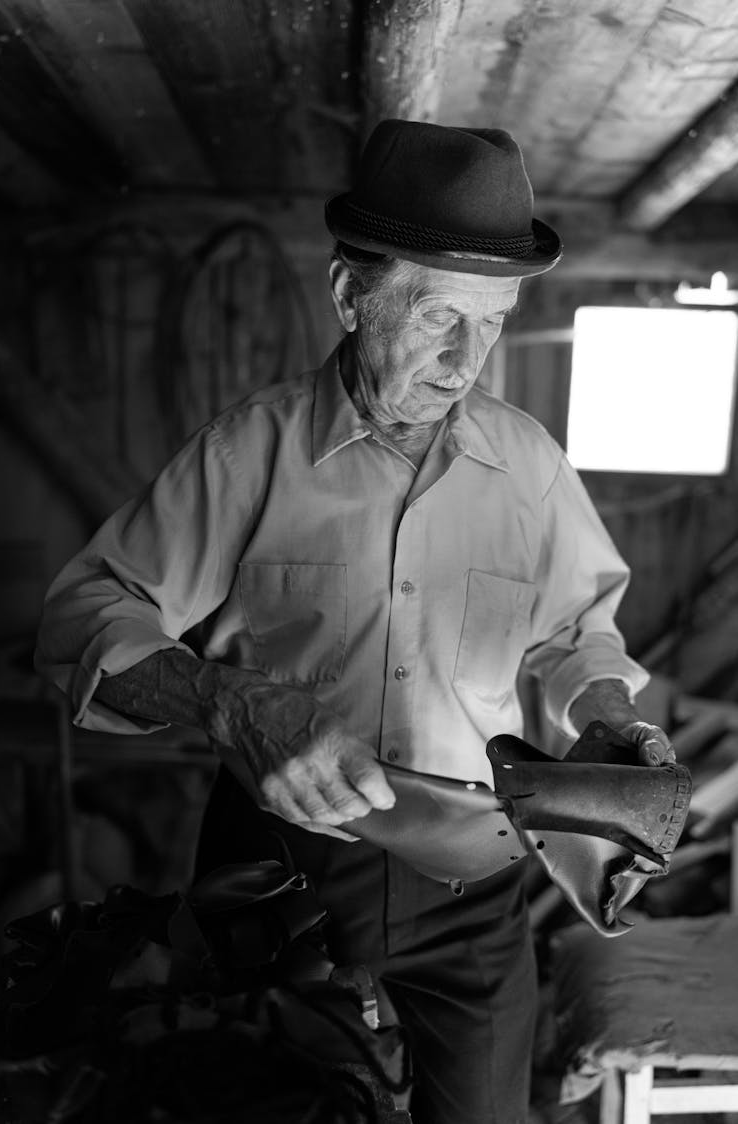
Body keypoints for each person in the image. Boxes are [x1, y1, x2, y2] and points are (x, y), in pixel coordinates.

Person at [35, 120, 674, 1124]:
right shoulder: (253, 449)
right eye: (436, 316)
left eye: (496, 321)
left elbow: (573, 632)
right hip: (284, 880)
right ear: (349, 295)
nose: (468, 358)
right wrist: (225, 696)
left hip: (477, 888)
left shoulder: (531, 463)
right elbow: (81, 616)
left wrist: (603, 708)